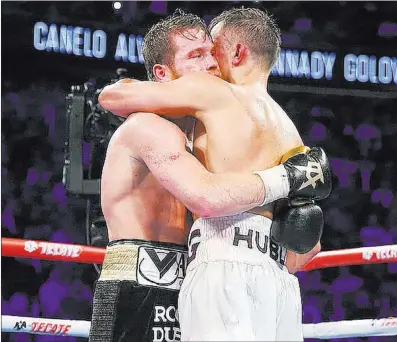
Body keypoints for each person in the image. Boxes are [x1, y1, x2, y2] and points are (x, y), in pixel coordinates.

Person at [93, 10, 329, 342]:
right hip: (141, 285)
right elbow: (206, 198)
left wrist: (254, 261)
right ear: (162, 73)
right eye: (196, 55)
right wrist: (287, 177)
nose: (210, 64)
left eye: (211, 52)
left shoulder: (214, 136)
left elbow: (306, 244)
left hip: (201, 277)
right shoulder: (148, 126)